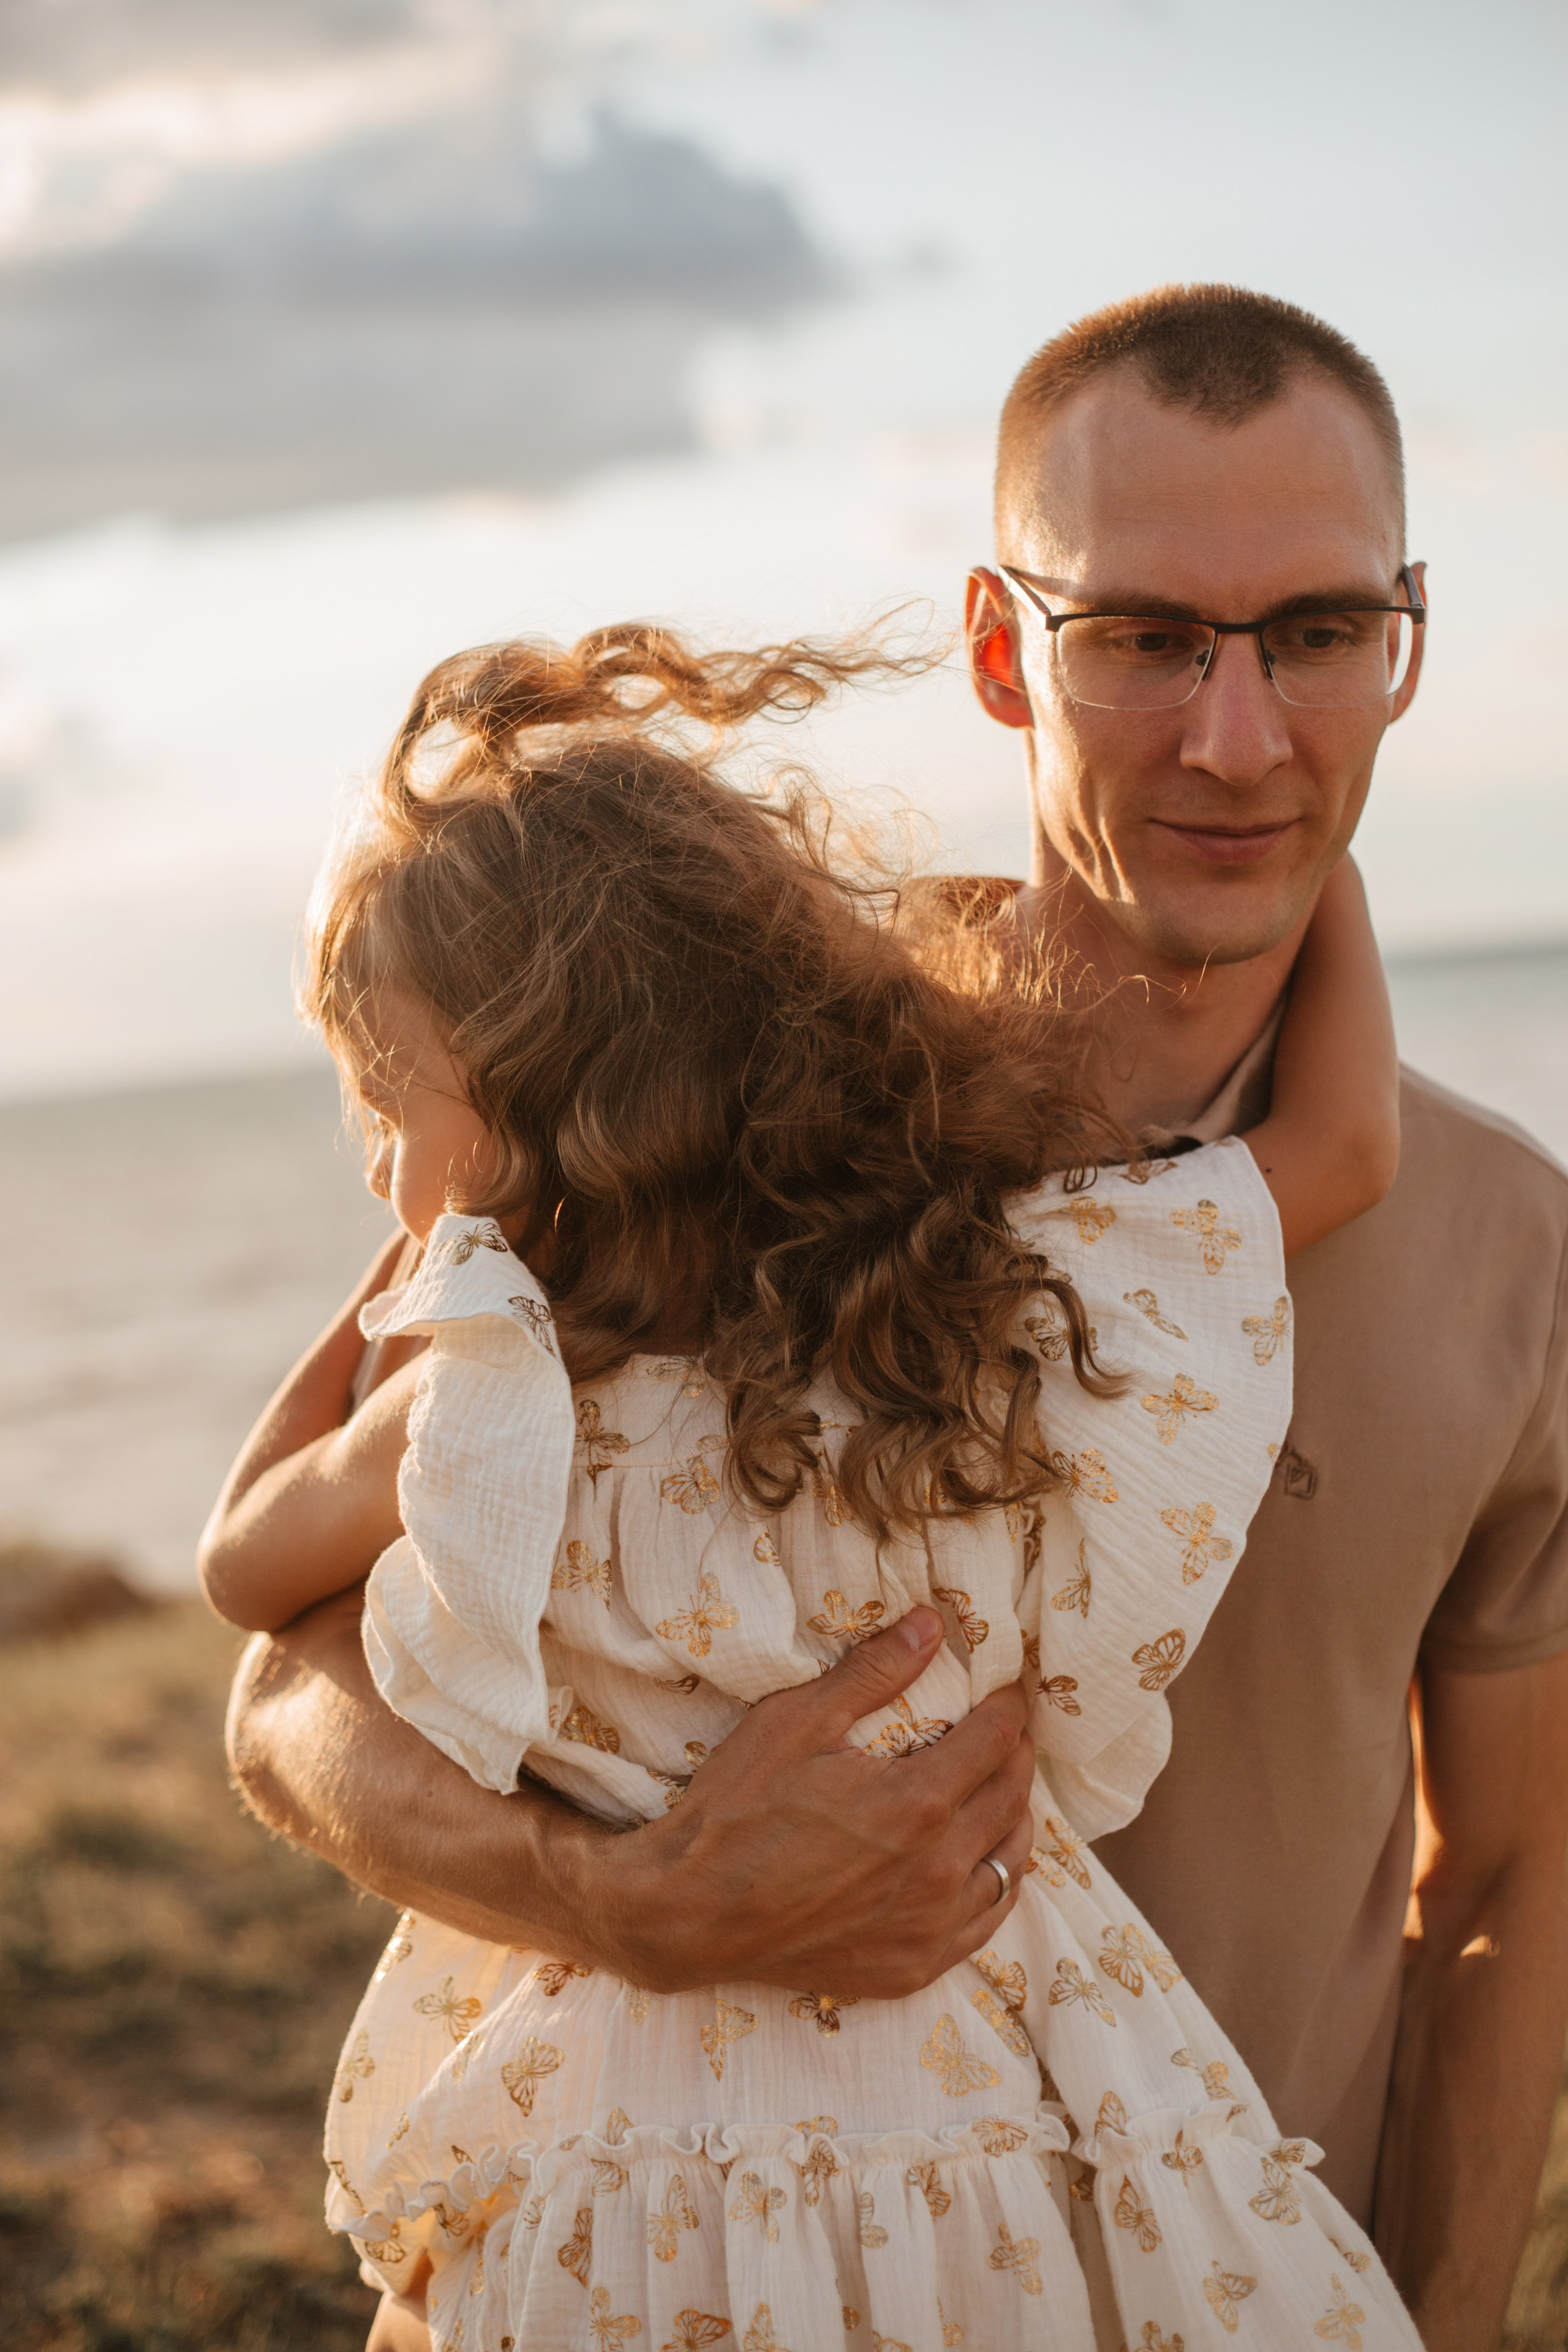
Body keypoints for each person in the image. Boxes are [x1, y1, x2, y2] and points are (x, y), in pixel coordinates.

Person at [224, 286, 1568, 2351]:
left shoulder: (1513, 1243)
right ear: (998, 649)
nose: (1242, 736)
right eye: (1141, 636)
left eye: (1316, 635)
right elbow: (291, 1691)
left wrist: (1452, 2311)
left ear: (1402, 644)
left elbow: (1498, 1892)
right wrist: (619, 1905)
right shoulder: (704, 1096)